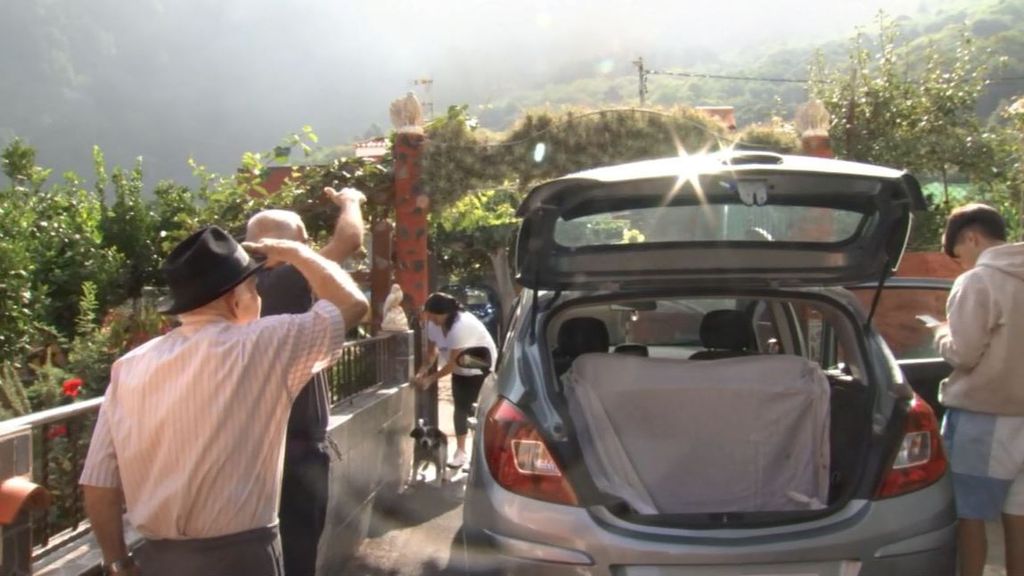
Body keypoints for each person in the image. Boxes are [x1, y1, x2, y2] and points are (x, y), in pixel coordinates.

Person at [79, 224, 368, 576]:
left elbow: (99, 482)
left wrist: (118, 562)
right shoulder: (264, 345)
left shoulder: (129, 368)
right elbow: (352, 305)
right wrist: (297, 252)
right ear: (236, 299)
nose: (259, 301)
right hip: (241, 559)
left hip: (155, 560)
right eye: (255, 289)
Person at [244, 186, 365, 576]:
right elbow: (349, 239)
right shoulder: (291, 278)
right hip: (294, 454)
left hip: (244, 449)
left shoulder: (239, 290)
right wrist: (351, 200)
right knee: (297, 557)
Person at [932, 203, 1024, 576]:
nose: (962, 265)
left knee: (970, 519)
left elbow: (963, 354)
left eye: (959, 256)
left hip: (985, 422)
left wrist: (939, 333)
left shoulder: (978, 281)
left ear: (971, 237)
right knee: (1018, 521)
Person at [414, 292, 498, 469]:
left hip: (481, 369)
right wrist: (422, 371)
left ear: (442, 312)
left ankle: (480, 457)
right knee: (460, 409)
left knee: (478, 413)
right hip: (461, 370)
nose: (429, 318)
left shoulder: (461, 326)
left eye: (431, 314)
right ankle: (461, 453)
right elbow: (432, 353)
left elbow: (452, 362)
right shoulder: (433, 325)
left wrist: (431, 379)